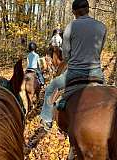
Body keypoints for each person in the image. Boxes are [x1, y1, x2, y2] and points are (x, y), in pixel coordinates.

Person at [40, 0, 107, 131]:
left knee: (51, 88)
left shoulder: (71, 27)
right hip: (97, 73)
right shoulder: (102, 26)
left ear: (74, 12)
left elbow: (65, 55)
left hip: (74, 73)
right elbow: (99, 51)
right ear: (88, 9)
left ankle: (47, 119)